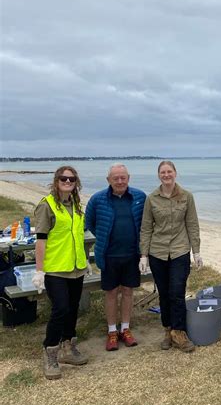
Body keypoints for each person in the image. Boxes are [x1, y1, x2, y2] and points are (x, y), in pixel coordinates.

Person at [32, 166, 90, 380]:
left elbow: (78, 236)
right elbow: (41, 241)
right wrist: (39, 270)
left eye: (72, 179)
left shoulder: (75, 205)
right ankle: (50, 351)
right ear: (56, 181)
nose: (68, 181)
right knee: (60, 309)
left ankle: (69, 346)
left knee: (73, 308)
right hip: (55, 268)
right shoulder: (47, 206)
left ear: (76, 182)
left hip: (76, 268)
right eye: (64, 178)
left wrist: (85, 260)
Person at [139, 161, 202, 353]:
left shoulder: (186, 197)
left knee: (177, 291)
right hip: (157, 252)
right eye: (163, 172)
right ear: (159, 175)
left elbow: (192, 224)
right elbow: (146, 228)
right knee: (164, 293)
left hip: (180, 250)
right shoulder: (151, 199)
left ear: (175, 173)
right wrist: (143, 255)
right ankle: (168, 329)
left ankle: (179, 331)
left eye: (169, 172)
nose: (166, 175)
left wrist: (196, 251)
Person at [85, 163, 146, 351]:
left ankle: (125, 329)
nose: (120, 181)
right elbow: (90, 222)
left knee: (128, 292)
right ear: (108, 180)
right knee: (111, 293)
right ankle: (112, 331)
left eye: (123, 177)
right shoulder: (97, 200)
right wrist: (104, 236)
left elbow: (147, 222)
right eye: (115, 178)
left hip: (132, 254)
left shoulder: (140, 197)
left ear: (128, 178)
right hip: (109, 255)